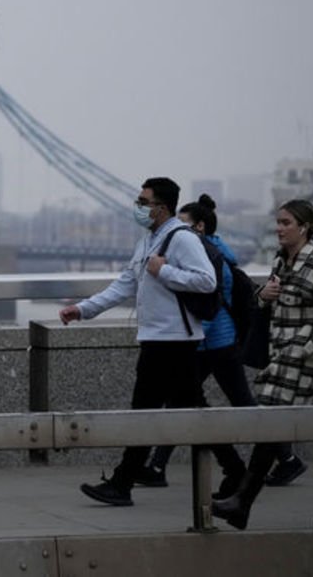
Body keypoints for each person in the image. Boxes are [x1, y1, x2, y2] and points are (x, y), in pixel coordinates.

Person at [60, 177, 217, 507]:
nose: (138, 207)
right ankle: (239, 472)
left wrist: (165, 272)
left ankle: (122, 484)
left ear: (161, 208)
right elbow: (123, 286)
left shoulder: (181, 238)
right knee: (189, 411)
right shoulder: (148, 241)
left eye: (143, 202)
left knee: (145, 412)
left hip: (174, 341)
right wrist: (82, 310)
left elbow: (207, 281)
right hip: (157, 339)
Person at [212, 199, 313, 530]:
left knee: (273, 424)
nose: (279, 228)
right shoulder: (284, 262)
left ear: (304, 227)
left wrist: (306, 348)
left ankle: (242, 502)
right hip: (284, 361)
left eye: (286, 223)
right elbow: (265, 304)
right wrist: (263, 295)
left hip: (302, 366)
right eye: (277, 222)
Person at [133, 195, 255, 498]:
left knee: (233, 403)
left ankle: (277, 459)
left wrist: (192, 339)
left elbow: (209, 305)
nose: (178, 230)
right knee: (185, 403)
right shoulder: (197, 249)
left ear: (200, 226)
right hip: (201, 344)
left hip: (215, 343)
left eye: (184, 224)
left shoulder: (212, 257)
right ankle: (156, 468)